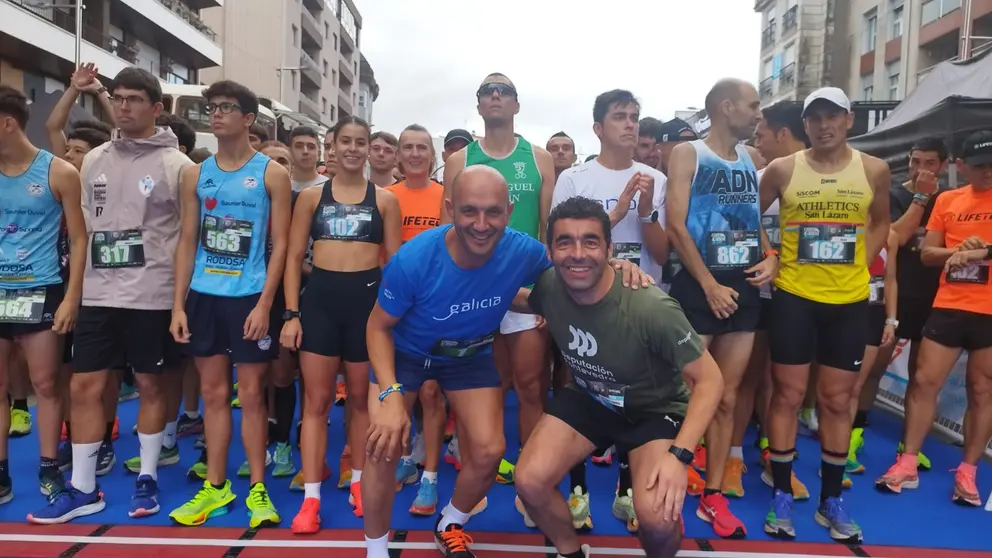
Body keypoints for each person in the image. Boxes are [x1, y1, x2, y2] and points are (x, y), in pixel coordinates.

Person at [361, 165, 651, 558]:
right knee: (382, 446)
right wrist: (391, 394)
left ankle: (450, 523)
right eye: (470, 211)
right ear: (450, 208)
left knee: (489, 450)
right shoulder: (413, 259)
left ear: (509, 211)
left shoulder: (523, 250)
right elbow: (377, 328)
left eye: (493, 212)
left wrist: (618, 265)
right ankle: (375, 551)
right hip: (406, 355)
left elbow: (575, 263)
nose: (482, 224)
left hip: (468, 355)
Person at [515, 196, 724, 558]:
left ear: (610, 249)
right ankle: (570, 551)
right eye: (565, 242)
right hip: (591, 398)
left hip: (653, 410)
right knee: (529, 482)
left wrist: (680, 456)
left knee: (655, 518)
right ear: (550, 251)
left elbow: (710, 380)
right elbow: (522, 300)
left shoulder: (649, 306)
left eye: (591, 242)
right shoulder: (550, 286)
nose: (577, 253)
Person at [28, 67, 193, 524]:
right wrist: (73, 296)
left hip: (152, 294)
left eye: (135, 99)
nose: (124, 106)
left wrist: (178, 302)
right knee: (84, 385)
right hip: (99, 294)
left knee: (149, 383)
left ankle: (148, 479)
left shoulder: (178, 166)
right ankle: (83, 487)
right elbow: (82, 235)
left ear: (156, 108)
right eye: (118, 98)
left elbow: (186, 240)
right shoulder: (95, 159)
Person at [759, 87, 890, 542]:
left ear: (849, 120)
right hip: (795, 296)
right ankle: (780, 495)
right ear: (806, 125)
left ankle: (830, 501)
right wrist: (772, 254)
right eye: (814, 118)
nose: (823, 125)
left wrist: (861, 262)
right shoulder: (781, 169)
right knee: (788, 397)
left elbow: (880, 221)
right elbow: (749, 217)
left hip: (849, 303)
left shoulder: (874, 169)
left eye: (832, 116)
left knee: (836, 400)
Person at [168, 80, 292, 528]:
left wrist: (265, 304)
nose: (217, 114)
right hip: (203, 296)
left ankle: (258, 489)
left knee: (254, 396)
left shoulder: (271, 174)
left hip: (249, 298)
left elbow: (279, 247)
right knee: (214, 395)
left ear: (247, 118)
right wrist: (179, 304)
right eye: (212, 107)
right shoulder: (194, 173)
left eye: (227, 107)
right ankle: (215, 486)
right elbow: (186, 239)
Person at [546, 89, 671, 533]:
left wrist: (646, 212)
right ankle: (578, 492)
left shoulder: (654, 177)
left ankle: (625, 491)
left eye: (635, 117)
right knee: (577, 387)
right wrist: (617, 212)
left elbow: (662, 252)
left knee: (634, 394)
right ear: (598, 128)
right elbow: (566, 240)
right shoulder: (575, 179)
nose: (630, 124)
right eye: (620, 117)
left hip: (636, 306)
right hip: (582, 306)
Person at [665, 78, 774, 539]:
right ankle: (669, 475)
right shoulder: (688, 153)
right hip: (699, 284)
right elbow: (675, 223)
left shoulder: (752, 159)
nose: (758, 114)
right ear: (725, 107)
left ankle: (713, 495)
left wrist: (771, 256)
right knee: (686, 392)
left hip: (744, 285)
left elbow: (753, 218)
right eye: (753, 106)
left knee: (728, 395)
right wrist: (707, 284)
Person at [281, 116, 401, 532]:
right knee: (314, 405)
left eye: (360, 142)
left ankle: (359, 482)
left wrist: (393, 319)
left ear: (369, 148)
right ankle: (311, 497)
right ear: (331, 146)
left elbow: (394, 264)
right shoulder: (312, 198)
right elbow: (294, 258)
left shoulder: (384, 200)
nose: (352, 148)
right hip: (320, 307)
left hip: (366, 311)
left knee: (361, 403)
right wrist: (292, 314)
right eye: (345, 141)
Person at [442, 73, 557, 486]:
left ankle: (532, 476)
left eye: (503, 90)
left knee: (530, 385)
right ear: (478, 106)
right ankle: (479, 474)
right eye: (487, 91)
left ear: (516, 105)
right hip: (477, 291)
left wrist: (548, 294)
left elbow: (549, 231)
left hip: (525, 289)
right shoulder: (460, 160)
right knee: (485, 385)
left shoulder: (540, 158)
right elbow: (447, 234)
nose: (495, 95)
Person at [875, 130, 992, 507]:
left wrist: (981, 252)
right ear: (961, 166)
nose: (987, 172)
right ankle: (907, 462)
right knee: (924, 382)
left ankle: (968, 471)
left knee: (983, 390)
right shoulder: (948, 199)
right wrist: (957, 252)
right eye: (979, 166)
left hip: (990, 310)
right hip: (950, 303)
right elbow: (927, 253)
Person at [0, 85, 86, 511]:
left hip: (42, 289)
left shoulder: (59, 173)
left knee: (47, 384)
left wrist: (72, 297)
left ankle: (50, 469)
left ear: (7, 123)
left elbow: (81, 239)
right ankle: (1, 475)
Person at [736, 101, 811, 500]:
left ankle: (776, 456)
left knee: (785, 386)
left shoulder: (823, 177)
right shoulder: (759, 177)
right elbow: (745, 223)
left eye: (761, 131)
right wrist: (772, 257)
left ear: (783, 133)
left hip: (804, 297)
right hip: (759, 292)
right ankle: (732, 457)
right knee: (749, 377)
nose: (757, 139)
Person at [867, 138, 949, 471]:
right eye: (916, 161)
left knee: (923, 377)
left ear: (942, 165)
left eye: (929, 163)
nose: (921, 169)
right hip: (893, 294)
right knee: (873, 368)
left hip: (933, 298)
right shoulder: (896, 195)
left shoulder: (948, 201)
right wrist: (920, 198)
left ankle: (909, 447)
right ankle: (856, 432)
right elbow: (895, 237)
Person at [385, 124, 447, 516]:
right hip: (396, 305)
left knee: (431, 393)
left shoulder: (445, 196)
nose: (414, 153)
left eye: (421, 147)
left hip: (437, 305)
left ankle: (431, 475)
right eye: (407, 147)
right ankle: (408, 457)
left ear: (432, 155)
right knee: (402, 392)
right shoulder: (386, 197)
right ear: (397, 155)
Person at [289, 126, 329, 192]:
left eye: (311, 147)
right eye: (299, 146)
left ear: (318, 154)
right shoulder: (281, 186)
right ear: (289, 151)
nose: (305, 151)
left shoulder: (329, 187)